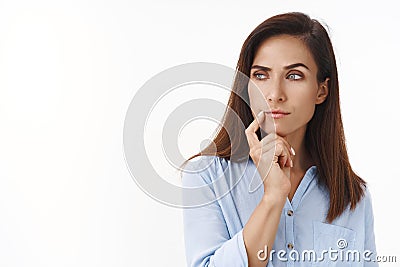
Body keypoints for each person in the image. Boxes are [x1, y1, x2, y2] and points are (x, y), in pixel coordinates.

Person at [180, 12, 378, 267]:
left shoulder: (353, 196)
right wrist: (273, 196)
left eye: (294, 76)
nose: (274, 94)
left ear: (321, 90)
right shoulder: (207, 176)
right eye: (261, 75)